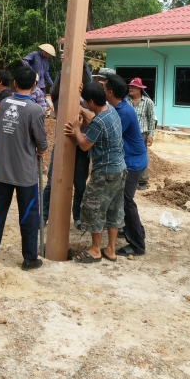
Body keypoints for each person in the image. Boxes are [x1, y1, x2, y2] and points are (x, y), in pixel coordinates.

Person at [0, 66, 48, 270]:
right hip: (25, 173)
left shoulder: (5, 103)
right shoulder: (35, 110)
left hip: (2, 170)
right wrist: (41, 150)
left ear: (15, 84)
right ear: (34, 85)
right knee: (28, 214)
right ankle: (29, 258)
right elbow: (42, 142)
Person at [64, 82, 126, 263]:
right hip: (120, 169)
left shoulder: (99, 121)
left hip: (105, 173)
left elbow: (84, 145)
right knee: (114, 209)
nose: (84, 103)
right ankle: (111, 250)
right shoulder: (111, 111)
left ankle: (95, 250)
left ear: (91, 101)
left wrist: (77, 129)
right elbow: (94, 123)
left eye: (85, 101)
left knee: (93, 208)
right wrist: (83, 114)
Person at [42, 50, 93, 229]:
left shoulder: (86, 103)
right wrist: (64, 67)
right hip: (62, 146)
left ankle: (77, 216)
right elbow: (55, 88)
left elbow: (88, 84)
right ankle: (44, 215)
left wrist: (81, 61)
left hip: (81, 147)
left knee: (80, 185)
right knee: (51, 183)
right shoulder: (59, 100)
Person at [104, 74, 147, 256]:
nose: (102, 91)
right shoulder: (116, 107)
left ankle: (137, 244)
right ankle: (135, 231)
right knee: (122, 199)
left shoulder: (124, 113)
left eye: (104, 88)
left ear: (110, 92)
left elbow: (108, 133)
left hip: (133, 163)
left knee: (126, 200)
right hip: (129, 160)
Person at [126, 78, 155, 190]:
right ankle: (128, 177)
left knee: (141, 156)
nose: (130, 89)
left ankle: (143, 180)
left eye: (133, 87)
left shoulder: (147, 102)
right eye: (130, 87)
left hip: (141, 134)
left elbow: (151, 119)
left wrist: (150, 135)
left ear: (139, 89)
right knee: (127, 153)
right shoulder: (126, 100)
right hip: (127, 133)